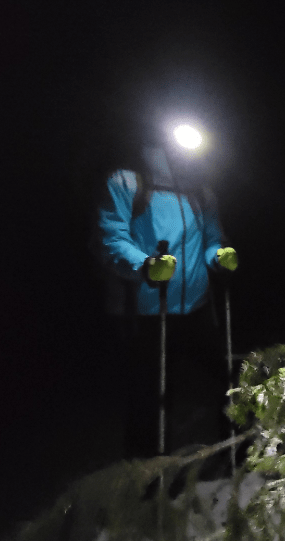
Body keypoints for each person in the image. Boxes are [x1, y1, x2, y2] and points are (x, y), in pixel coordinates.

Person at [93, 131, 238, 460]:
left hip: (197, 308)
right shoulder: (127, 183)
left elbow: (211, 238)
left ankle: (238, 456)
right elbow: (110, 239)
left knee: (229, 380)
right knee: (153, 400)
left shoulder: (200, 191)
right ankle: (147, 484)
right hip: (148, 313)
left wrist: (218, 256)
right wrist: (144, 266)